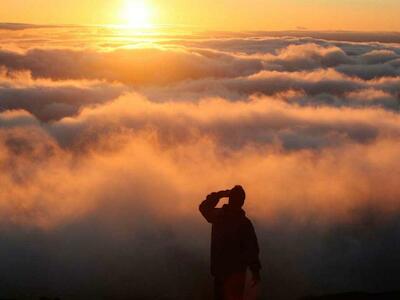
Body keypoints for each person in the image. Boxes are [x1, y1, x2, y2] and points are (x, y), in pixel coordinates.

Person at [199, 185, 261, 300]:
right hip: (237, 273)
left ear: (229, 199)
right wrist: (255, 270)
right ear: (242, 202)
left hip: (221, 272)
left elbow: (204, 207)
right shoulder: (244, 223)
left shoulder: (219, 217)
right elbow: (252, 249)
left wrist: (220, 194)